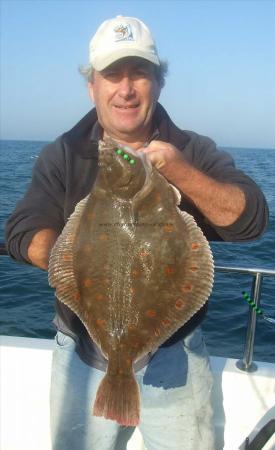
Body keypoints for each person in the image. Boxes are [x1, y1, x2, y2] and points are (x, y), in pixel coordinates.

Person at [5, 15, 268, 450]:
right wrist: (76, 254)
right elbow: (21, 230)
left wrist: (182, 171)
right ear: (93, 86)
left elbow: (251, 219)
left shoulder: (193, 149)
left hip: (176, 355)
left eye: (139, 73)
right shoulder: (62, 154)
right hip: (83, 354)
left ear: (157, 82)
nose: (126, 89)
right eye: (112, 75)